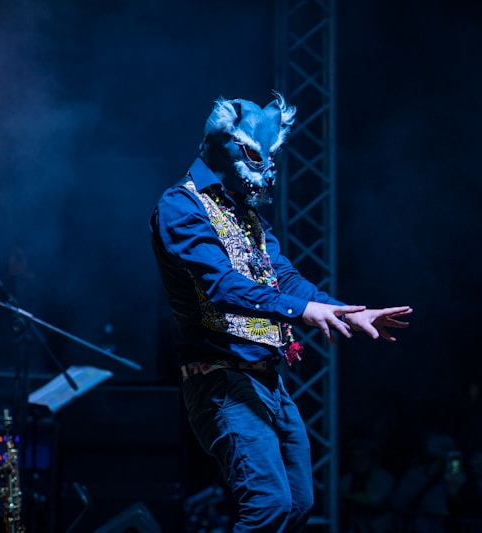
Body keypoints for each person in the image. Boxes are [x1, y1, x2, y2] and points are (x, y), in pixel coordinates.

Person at [149, 92, 412, 532]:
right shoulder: (181, 206)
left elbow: (285, 280)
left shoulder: (247, 217)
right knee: (268, 504)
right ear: (223, 144)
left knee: (298, 504)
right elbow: (222, 286)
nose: (268, 168)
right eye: (255, 154)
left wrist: (347, 313)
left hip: (267, 379)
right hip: (221, 379)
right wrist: (302, 311)